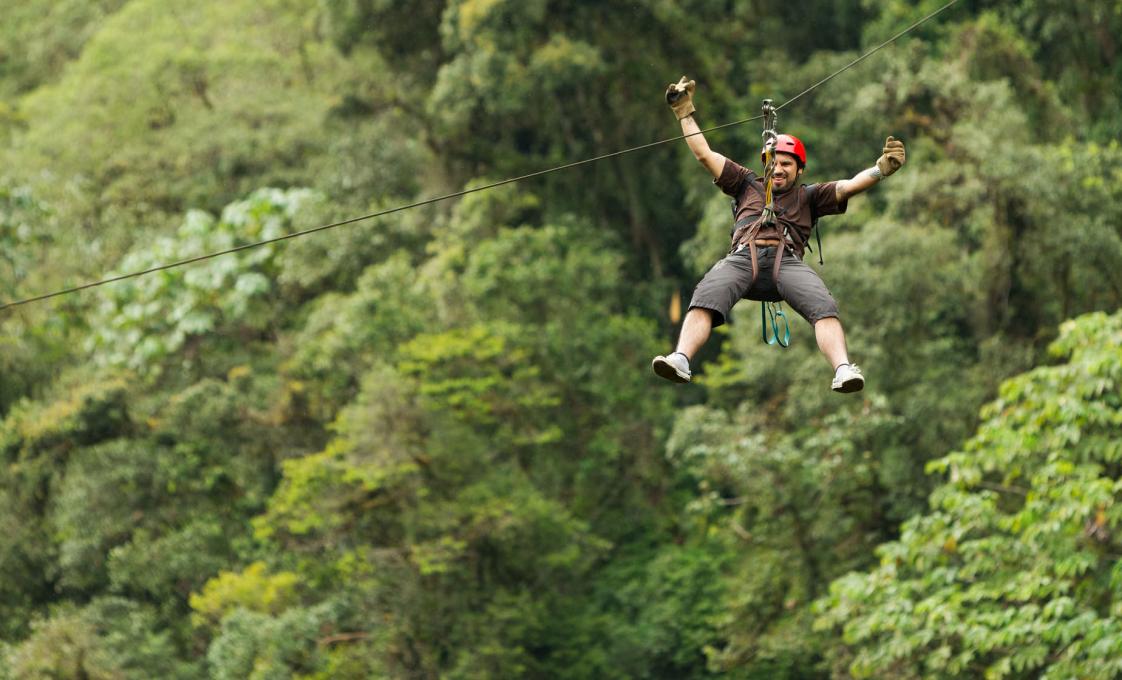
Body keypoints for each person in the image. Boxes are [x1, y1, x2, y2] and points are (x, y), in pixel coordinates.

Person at [651, 76, 906, 393]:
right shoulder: (746, 184)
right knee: (705, 296)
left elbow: (850, 185)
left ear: (799, 170)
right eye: (774, 162)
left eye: (787, 164)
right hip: (745, 258)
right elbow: (704, 154)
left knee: (823, 306)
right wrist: (684, 112)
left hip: (787, 264)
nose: (779, 169)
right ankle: (682, 358)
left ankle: (842, 368)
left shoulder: (809, 196)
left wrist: (880, 169)